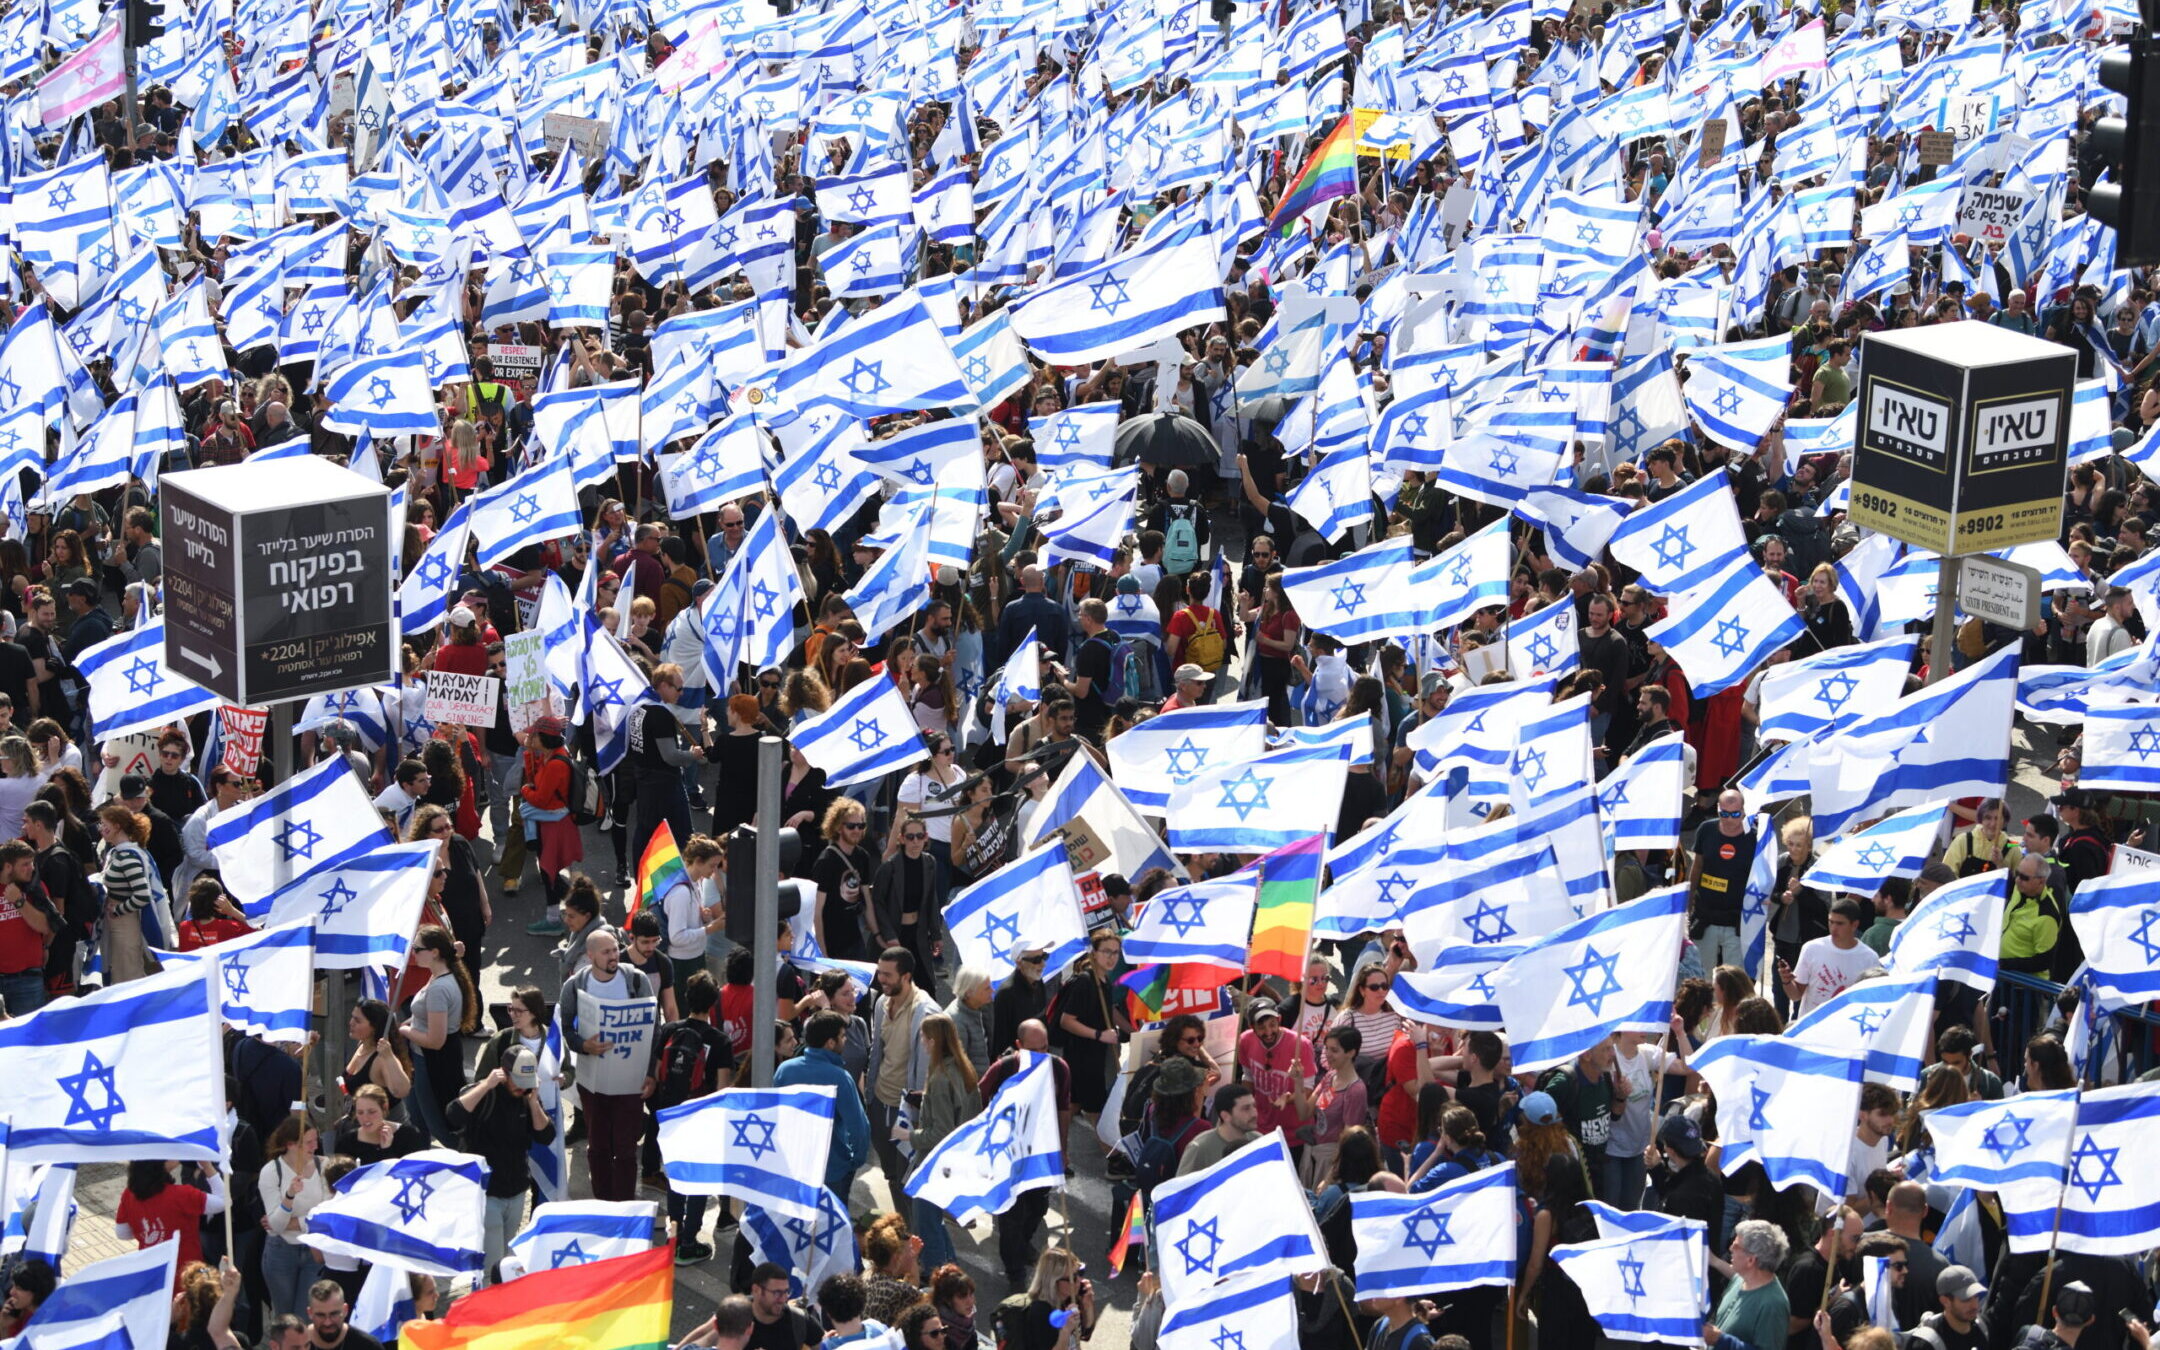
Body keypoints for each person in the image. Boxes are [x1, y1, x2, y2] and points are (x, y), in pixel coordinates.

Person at [558, 928, 657, 1203]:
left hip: (630, 1082)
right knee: (598, 1146)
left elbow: (653, 1027)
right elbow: (566, 1028)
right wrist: (583, 1045)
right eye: (606, 952)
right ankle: (602, 1202)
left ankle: (624, 1205)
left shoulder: (636, 981)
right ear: (590, 956)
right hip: (594, 1083)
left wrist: (650, 1073)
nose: (613, 956)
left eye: (615, 950)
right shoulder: (575, 986)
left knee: (626, 1150)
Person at [648, 969, 736, 1262]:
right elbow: (722, 1089)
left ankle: (674, 1232)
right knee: (698, 1180)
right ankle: (689, 1241)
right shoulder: (720, 1041)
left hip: (671, 1114)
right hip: (701, 1117)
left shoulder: (669, 1030)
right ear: (713, 1004)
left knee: (676, 1176)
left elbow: (658, 1073)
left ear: (687, 998)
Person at [446, 1046, 556, 1281]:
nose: (520, 1087)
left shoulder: (527, 1098)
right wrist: (485, 1085)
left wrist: (534, 1102)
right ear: (503, 1074)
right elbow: (453, 1115)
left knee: (508, 1262)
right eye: (516, 1080)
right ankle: (490, 1311)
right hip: (487, 1194)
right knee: (492, 1266)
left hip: (515, 1191)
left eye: (526, 1082)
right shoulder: (486, 1094)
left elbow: (546, 1136)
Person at [773, 1011, 872, 1199]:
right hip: (832, 1170)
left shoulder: (784, 1070)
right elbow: (859, 1126)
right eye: (843, 1036)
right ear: (830, 1043)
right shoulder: (841, 1078)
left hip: (794, 1166)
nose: (846, 1041)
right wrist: (855, 1160)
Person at [909, 1012, 980, 1273]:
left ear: (933, 1041)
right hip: (958, 1160)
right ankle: (950, 1269)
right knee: (935, 1219)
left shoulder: (940, 1078)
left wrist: (910, 1136)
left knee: (926, 1221)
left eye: (924, 1038)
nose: (922, 1043)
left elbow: (940, 1132)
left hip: (935, 1163)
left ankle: (937, 1274)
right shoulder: (964, 1069)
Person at [257, 1112, 327, 1319]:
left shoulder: (324, 1166)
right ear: (291, 1145)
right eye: (308, 1142)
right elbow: (277, 1227)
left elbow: (325, 1217)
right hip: (281, 1253)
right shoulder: (271, 1172)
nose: (315, 1146)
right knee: (285, 1318)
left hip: (314, 1250)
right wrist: (289, 1196)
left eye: (316, 1140)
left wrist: (296, 1223)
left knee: (305, 1317)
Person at [1778, 897, 1882, 1016]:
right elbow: (1795, 995)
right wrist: (1786, 981)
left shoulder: (1869, 958)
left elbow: (1871, 1003)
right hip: (1811, 1028)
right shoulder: (1812, 948)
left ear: (1854, 925)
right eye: (1831, 922)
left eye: (1840, 924)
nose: (1833, 928)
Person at [1688, 792, 1756, 970]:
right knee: (1701, 977)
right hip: (1705, 917)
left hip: (1736, 922)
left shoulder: (1755, 838)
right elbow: (1697, 867)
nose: (1729, 819)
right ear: (1717, 810)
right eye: (1723, 813)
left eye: (1734, 814)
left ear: (1743, 812)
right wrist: (1688, 904)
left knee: (1733, 982)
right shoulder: (1706, 829)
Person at [1707, 1221, 1792, 1350]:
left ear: (1751, 1260)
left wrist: (1720, 1340)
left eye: (1735, 1246)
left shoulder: (1773, 1305)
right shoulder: (1739, 1280)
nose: (1730, 1249)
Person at [1178, 1082, 1260, 1175]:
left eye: (1254, 1106)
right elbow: (1182, 1186)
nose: (1254, 1114)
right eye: (1246, 1108)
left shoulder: (1259, 1141)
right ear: (1225, 1116)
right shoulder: (1200, 1147)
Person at [742, 1262, 822, 1350]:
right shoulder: (732, 1315)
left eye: (786, 1292)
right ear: (756, 1290)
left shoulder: (799, 1321)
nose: (783, 1299)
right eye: (777, 1293)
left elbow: (823, 1345)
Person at [1910, 1266, 1990, 1350]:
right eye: (1966, 1299)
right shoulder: (1926, 1344)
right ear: (1945, 1301)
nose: (1975, 1305)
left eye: (1976, 1296)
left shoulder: (1984, 1330)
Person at [302, 1278, 383, 1350]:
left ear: (345, 1310)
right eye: (321, 1315)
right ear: (310, 1313)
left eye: (334, 1314)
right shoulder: (294, 1344)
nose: (328, 1322)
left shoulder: (369, 1346)